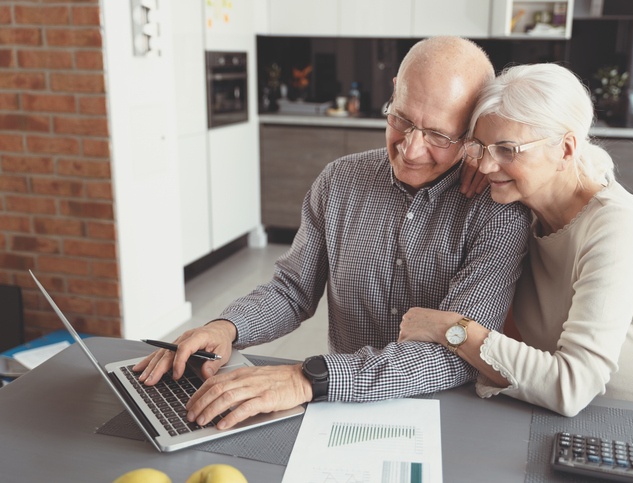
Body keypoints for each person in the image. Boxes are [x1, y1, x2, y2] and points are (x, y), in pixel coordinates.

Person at [134, 36, 531, 430]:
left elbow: (456, 353)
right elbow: (292, 290)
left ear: (473, 131)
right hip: (339, 409)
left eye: (439, 136)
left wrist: (309, 377)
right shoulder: (339, 180)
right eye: (402, 120)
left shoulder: (497, 212)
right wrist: (226, 327)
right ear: (394, 92)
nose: (410, 150)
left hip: (443, 416)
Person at [399, 63, 633, 416]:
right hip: (588, 428)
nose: (488, 166)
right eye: (480, 147)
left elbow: (571, 385)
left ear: (567, 150)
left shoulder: (616, 228)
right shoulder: (523, 212)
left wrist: (453, 328)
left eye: (507, 150)